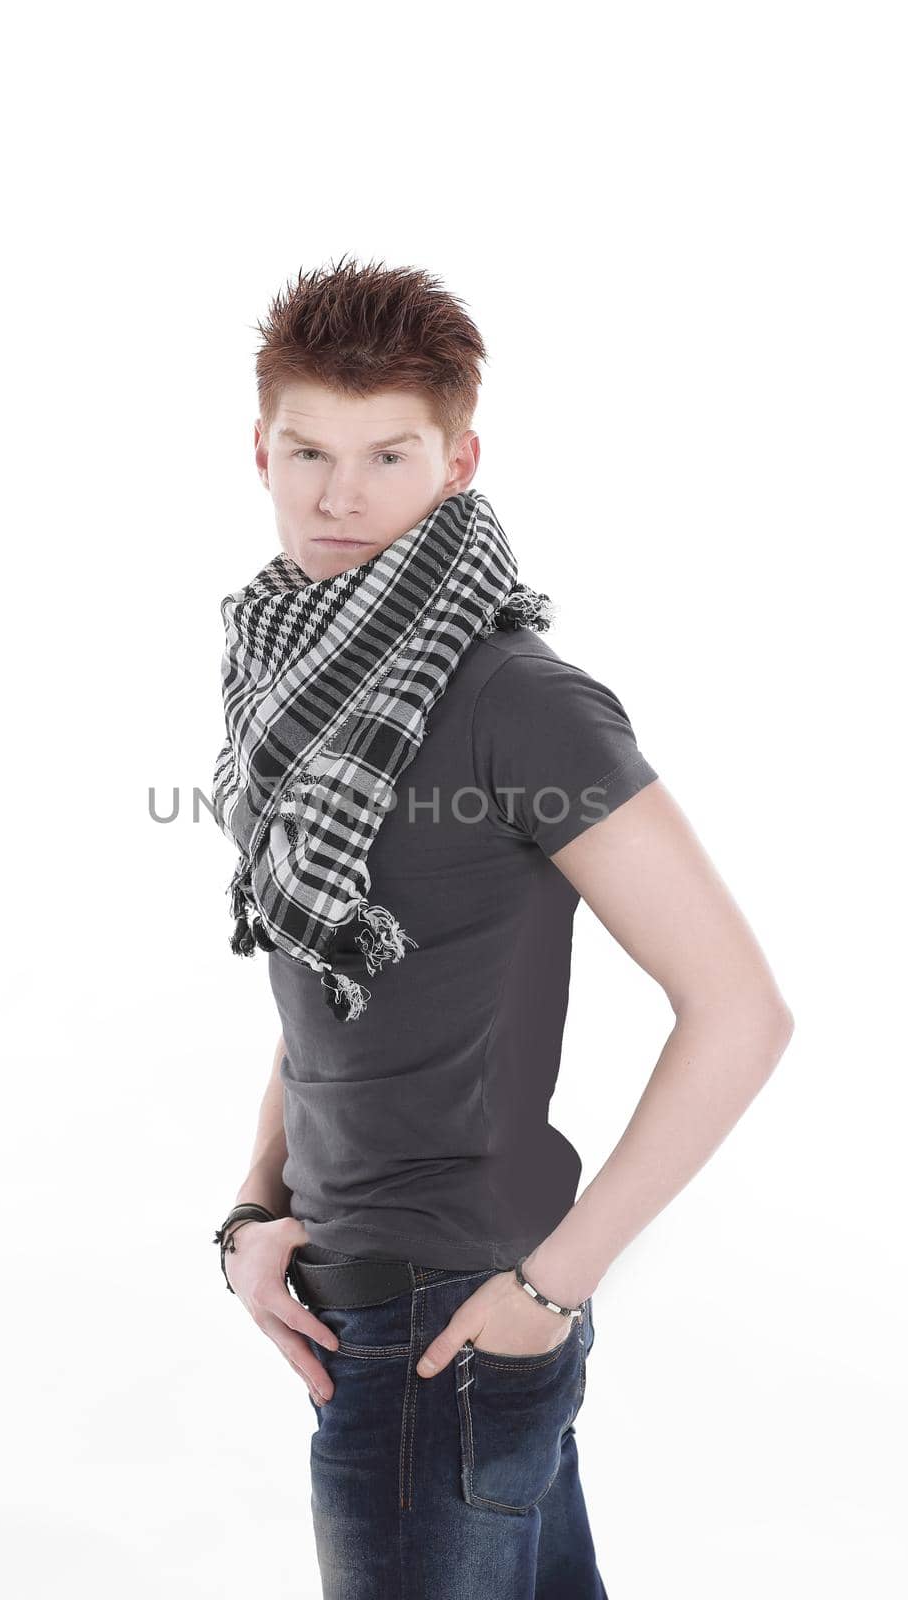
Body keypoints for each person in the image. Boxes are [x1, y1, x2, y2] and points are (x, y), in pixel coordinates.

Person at [209, 256, 794, 1599]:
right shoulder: (292, 681)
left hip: (449, 1319)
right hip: (370, 1301)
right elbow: (323, 987)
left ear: (460, 458)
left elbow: (740, 1009)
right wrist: (255, 1206)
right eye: (307, 450)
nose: (340, 495)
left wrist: (546, 1293)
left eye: (388, 455)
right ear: (259, 449)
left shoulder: (514, 698)